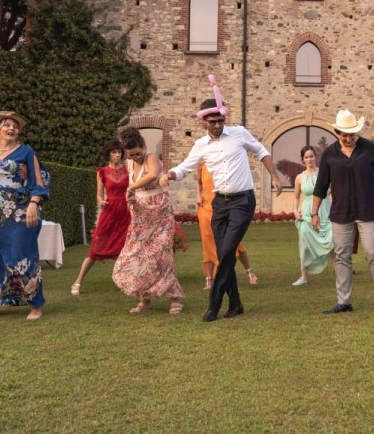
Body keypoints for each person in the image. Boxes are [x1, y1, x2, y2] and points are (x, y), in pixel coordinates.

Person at [160, 75, 282, 322]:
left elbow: (261, 151)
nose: (218, 125)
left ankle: (213, 305)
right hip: (219, 203)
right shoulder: (201, 145)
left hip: (242, 202)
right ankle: (235, 304)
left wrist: (275, 177)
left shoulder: (238, 133)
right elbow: (186, 166)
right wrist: (171, 174)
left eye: (221, 120)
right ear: (204, 121)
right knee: (223, 253)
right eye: (213, 122)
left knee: (226, 252)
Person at [312, 109, 374, 318]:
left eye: (351, 134)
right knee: (341, 256)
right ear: (337, 132)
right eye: (343, 134)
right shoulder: (330, 153)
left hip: (369, 211)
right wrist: (314, 213)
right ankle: (343, 301)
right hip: (341, 213)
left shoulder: (370, 149)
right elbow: (321, 186)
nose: (348, 138)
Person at [0, 111, 50, 321]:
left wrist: (34, 203)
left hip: (22, 212)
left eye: (15, 126)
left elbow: (39, 180)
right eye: (6, 125)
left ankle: (35, 305)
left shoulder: (26, 151)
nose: (12, 128)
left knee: (22, 257)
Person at [112, 127, 184, 315]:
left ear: (143, 147)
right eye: (131, 155)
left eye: (137, 153)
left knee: (162, 255)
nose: (135, 158)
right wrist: (131, 204)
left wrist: (131, 188)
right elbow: (132, 189)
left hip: (160, 214)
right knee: (138, 255)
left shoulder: (151, 158)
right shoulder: (129, 164)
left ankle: (174, 299)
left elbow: (152, 175)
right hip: (141, 215)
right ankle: (144, 299)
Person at [71, 139, 131, 296]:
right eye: (114, 152)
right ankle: (78, 281)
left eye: (119, 152)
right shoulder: (102, 172)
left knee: (125, 248)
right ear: (108, 154)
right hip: (109, 212)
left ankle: (125, 281)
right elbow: (98, 194)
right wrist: (101, 201)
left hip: (126, 212)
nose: (117, 155)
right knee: (95, 249)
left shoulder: (128, 170)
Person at [196, 162, 258, 289]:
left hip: (223, 207)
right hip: (205, 207)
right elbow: (199, 183)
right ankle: (209, 279)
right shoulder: (201, 164)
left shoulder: (224, 162)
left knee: (233, 242)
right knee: (207, 242)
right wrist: (198, 195)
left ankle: (249, 271)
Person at [292, 145, 332, 285]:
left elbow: (334, 191)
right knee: (304, 244)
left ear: (316, 157)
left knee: (332, 240)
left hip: (325, 210)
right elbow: (296, 196)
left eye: (311, 156)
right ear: (303, 160)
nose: (309, 159)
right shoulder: (299, 178)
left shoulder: (325, 173)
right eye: (306, 157)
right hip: (306, 214)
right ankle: (303, 276)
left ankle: (340, 272)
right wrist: (295, 211)